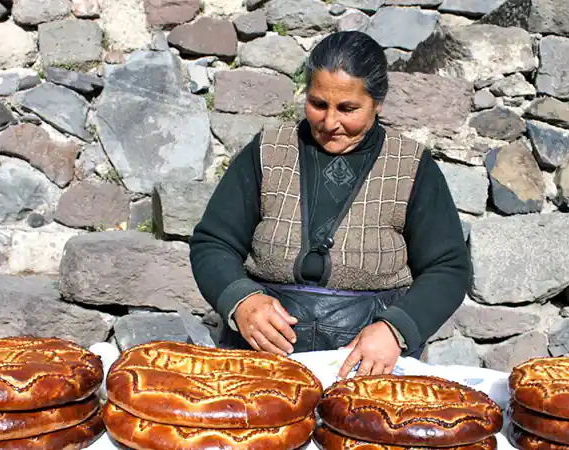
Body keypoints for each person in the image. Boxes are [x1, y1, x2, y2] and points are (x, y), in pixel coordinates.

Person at [189, 30, 470, 378]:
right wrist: (241, 301)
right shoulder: (268, 151)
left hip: (367, 363)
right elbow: (213, 243)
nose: (330, 122)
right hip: (262, 358)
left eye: (348, 108)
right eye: (318, 104)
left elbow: (448, 267)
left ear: (377, 103)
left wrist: (396, 329)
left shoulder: (411, 166)